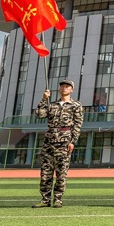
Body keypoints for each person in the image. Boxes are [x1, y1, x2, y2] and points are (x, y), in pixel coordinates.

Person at [32, 79, 83, 208]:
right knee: (45, 173)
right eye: (62, 86)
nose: (64, 88)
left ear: (72, 90)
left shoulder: (76, 105)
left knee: (61, 173)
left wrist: (73, 141)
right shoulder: (52, 105)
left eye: (67, 87)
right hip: (49, 142)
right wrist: (44, 99)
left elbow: (77, 124)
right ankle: (45, 199)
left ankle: (58, 199)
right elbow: (39, 115)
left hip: (64, 142)